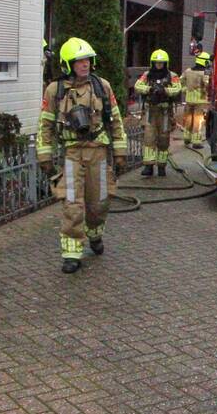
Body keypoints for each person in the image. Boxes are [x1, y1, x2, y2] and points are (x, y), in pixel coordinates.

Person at [37, 38, 128, 274]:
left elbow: (116, 121)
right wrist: (44, 157)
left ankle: (95, 234)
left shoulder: (102, 87)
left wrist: (120, 153)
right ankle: (71, 252)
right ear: (68, 64)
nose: (85, 64)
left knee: (99, 203)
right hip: (71, 154)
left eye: (87, 59)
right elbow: (45, 125)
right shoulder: (55, 90)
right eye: (79, 61)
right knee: (72, 204)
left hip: (98, 152)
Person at [134, 49, 182, 176]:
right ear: (153, 63)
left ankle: (161, 167)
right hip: (151, 111)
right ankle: (148, 167)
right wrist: (150, 89)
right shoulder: (147, 75)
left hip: (165, 112)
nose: (159, 65)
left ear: (166, 63)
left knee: (163, 139)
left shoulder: (172, 76)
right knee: (149, 138)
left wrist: (164, 91)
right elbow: (137, 86)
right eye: (157, 62)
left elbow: (177, 88)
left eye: (161, 63)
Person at [181, 51, 211, 149]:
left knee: (188, 119)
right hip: (200, 101)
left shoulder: (188, 71)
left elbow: (180, 81)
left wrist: (185, 90)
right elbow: (207, 85)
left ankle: (187, 138)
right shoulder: (204, 73)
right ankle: (196, 142)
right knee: (198, 121)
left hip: (189, 100)